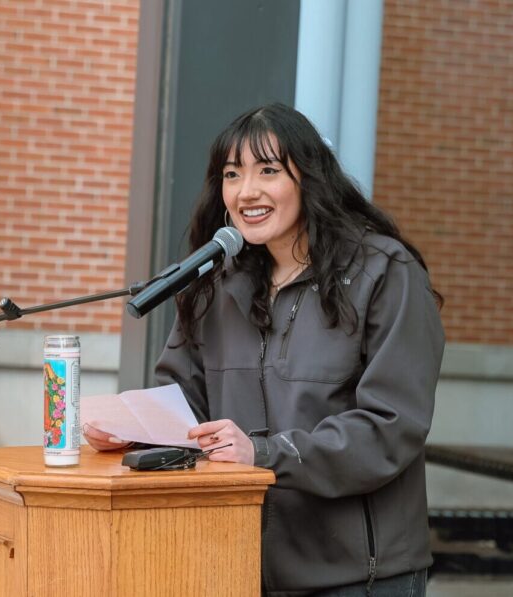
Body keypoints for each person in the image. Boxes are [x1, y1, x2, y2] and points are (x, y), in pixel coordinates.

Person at [86, 103, 445, 596]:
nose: (246, 191)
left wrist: (265, 453)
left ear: (310, 179)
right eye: (232, 174)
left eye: (268, 171)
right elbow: (183, 403)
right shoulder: (216, 283)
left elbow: (391, 426)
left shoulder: (384, 272)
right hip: (236, 563)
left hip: (358, 576)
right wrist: (133, 433)